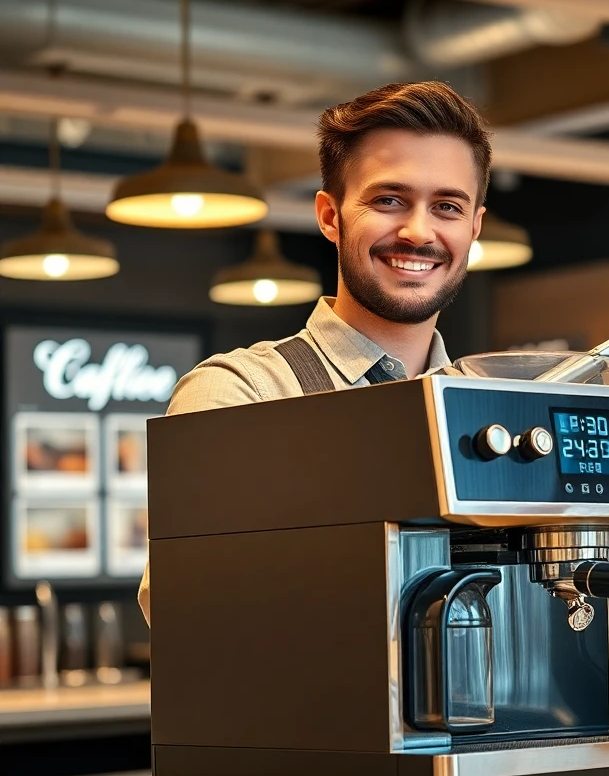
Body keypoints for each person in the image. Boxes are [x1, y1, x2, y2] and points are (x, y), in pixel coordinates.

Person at [137, 81, 491, 623]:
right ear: (330, 215)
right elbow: (190, 614)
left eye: (447, 206)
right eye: (389, 200)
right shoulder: (240, 395)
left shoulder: (484, 413)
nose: (418, 231)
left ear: (474, 227)